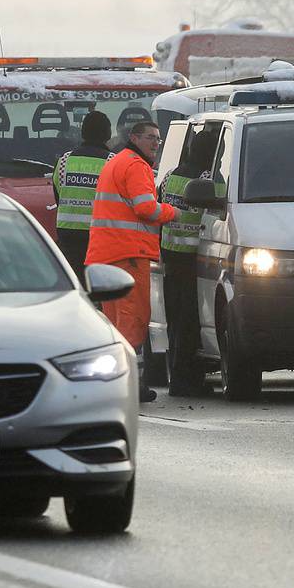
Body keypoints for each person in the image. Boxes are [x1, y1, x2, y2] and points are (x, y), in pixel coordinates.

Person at [88, 119, 176, 403]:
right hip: (129, 255)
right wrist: (172, 212)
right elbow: (146, 208)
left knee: (114, 323)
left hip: (106, 253)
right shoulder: (136, 166)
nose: (156, 143)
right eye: (150, 137)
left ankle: (114, 383)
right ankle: (130, 385)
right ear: (135, 138)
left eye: (158, 139)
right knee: (134, 320)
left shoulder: (116, 161)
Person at [159, 124, 217, 397]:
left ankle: (177, 376)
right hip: (195, 257)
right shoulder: (207, 177)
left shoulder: (170, 176)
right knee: (190, 320)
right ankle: (185, 379)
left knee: (175, 317)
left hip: (170, 253)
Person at [50, 110, 113, 267]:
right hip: (100, 234)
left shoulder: (64, 160)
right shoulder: (113, 162)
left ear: (83, 133)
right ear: (108, 134)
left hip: (67, 233)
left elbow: (59, 196)